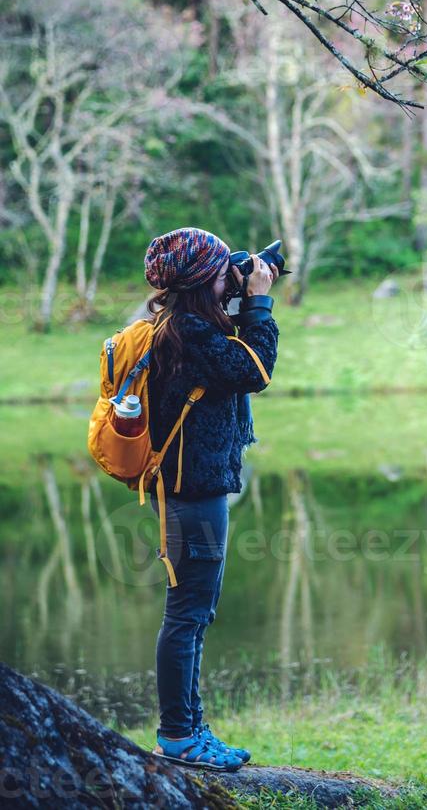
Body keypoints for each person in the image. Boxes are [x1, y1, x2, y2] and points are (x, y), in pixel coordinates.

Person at [142, 227, 279, 770]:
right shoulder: (189, 333)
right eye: (225, 268)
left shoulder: (183, 325)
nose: (233, 275)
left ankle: (189, 728)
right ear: (205, 281)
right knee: (188, 615)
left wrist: (244, 300)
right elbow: (255, 370)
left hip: (189, 488)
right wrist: (260, 302)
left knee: (193, 613)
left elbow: (240, 364)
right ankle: (178, 734)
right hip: (190, 492)